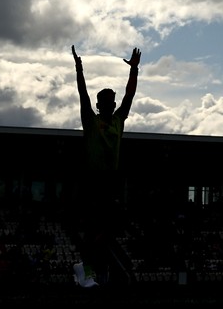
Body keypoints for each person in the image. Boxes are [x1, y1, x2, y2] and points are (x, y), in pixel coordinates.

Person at [72, 45, 140, 285]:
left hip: (111, 181)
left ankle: (95, 270)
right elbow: (83, 95)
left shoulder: (119, 121)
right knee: (94, 232)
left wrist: (134, 70)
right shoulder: (91, 121)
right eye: (107, 101)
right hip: (93, 180)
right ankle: (88, 270)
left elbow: (129, 96)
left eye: (113, 101)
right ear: (101, 105)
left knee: (107, 232)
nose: (112, 104)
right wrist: (79, 69)